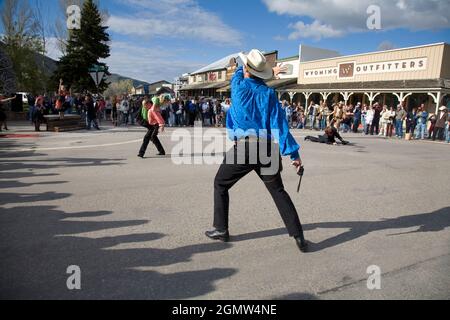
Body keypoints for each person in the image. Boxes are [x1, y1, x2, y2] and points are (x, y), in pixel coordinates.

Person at [205, 49, 309, 253]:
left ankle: (221, 229)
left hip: (246, 146)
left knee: (220, 184)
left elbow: (238, 73)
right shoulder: (269, 93)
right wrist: (294, 155)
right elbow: (280, 125)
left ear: (246, 70)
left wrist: (239, 65)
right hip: (268, 149)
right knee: (279, 192)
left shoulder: (239, 86)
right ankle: (299, 237)